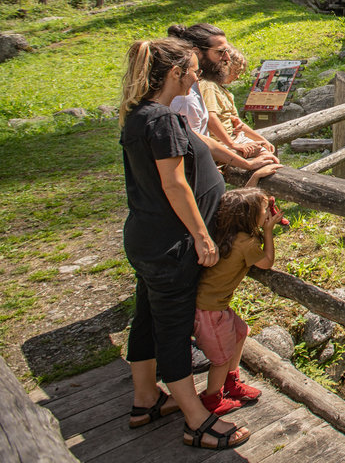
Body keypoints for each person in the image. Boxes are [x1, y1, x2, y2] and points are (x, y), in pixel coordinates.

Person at [119, 38, 274, 449]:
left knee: (149, 317)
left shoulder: (141, 115)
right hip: (172, 243)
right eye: (190, 70)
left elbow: (199, 143)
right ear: (174, 74)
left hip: (148, 238)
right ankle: (196, 419)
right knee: (172, 329)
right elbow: (174, 183)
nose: (196, 76)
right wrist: (203, 236)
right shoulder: (162, 120)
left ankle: (146, 399)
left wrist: (244, 164)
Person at [193, 179, 282, 415]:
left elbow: (242, 197)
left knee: (241, 331)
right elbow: (266, 262)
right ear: (249, 216)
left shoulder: (227, 231)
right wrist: (268, 231)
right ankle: (212, 399)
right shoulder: (247, 242)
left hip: (211, 306)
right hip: (210, 310)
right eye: (264, 211)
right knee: (220, 359)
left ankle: (231, 382)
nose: (267, 214)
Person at [199, 47, 275, 159]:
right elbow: (211, 118)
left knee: (267, 154)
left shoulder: (222, 90)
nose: (237, 76)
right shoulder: (209, 86)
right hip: (221, 143)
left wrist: (261, 139)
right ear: (226, 66)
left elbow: (238, 124)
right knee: (266, 158)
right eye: (236, 71)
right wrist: (232, 144)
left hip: (232, 138)